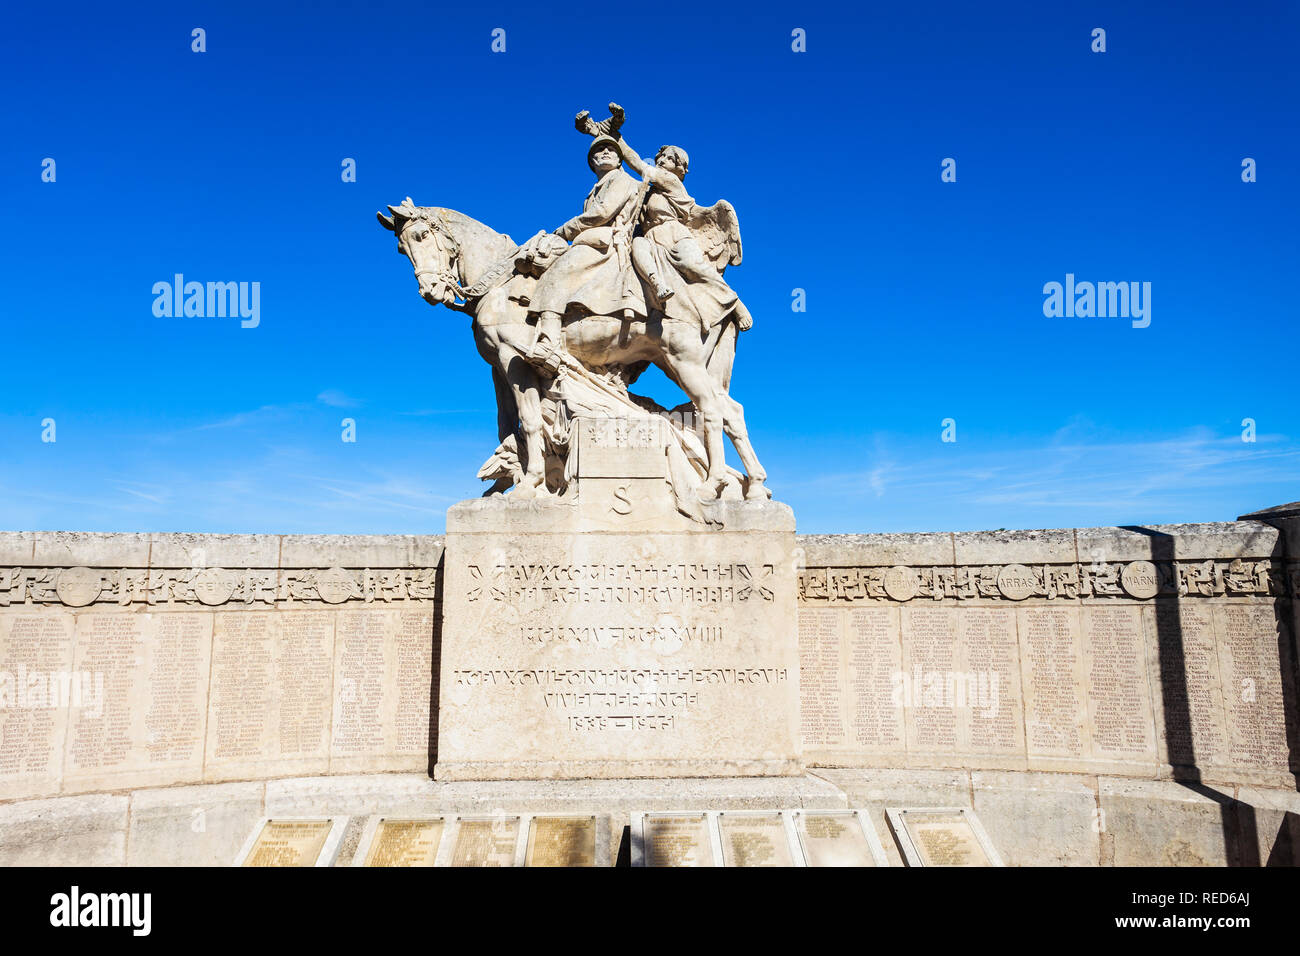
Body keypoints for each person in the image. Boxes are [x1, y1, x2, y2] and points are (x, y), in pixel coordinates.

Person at [525, 135, 644, 374]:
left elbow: (603, 212)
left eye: (611, 149)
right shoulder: (594, 189)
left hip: (604, 241)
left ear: (620, 160)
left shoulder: (621, 179)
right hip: (594, 239)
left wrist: (565, 230)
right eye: (599, 151)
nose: (606, 152)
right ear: (592, 162)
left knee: (556, 273)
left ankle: (549, 341)